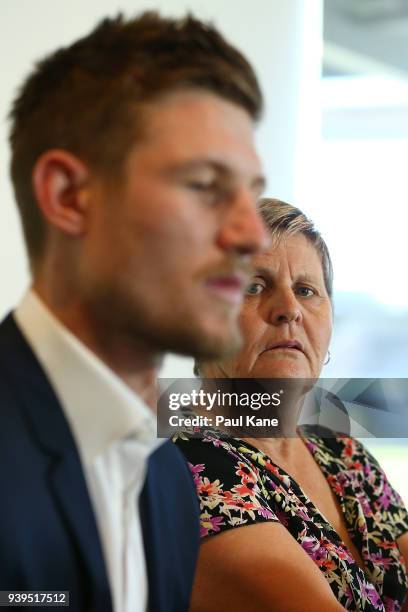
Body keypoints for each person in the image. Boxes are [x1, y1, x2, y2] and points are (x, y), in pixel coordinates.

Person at [0, 12, 269, 612]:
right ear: (70, 197)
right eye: (205, 185)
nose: (252, 235)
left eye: (252, 194)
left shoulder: (172, 483)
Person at [174, 198, 408, 611]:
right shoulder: (188, 465)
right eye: (253, 287)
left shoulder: (346, 456)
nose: (289, 310)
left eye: (306, 290)